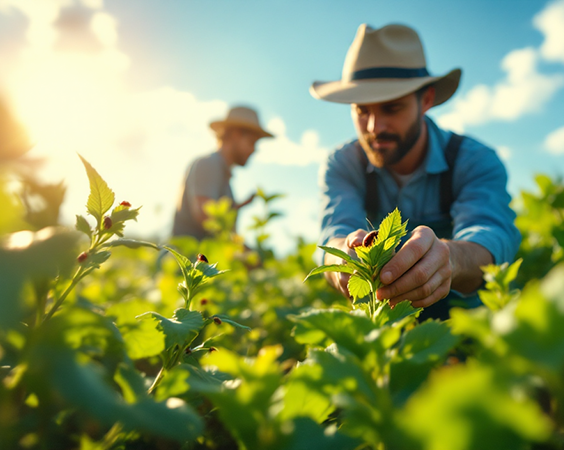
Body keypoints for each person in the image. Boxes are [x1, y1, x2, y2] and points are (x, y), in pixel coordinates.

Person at [310, 23, 521, 320]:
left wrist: (452, 260)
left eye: (391, 108)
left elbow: (492, 237)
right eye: (361, 110)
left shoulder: (474, 160)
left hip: (467, 325)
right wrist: (342, 259)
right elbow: (334, 233)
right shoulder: (343, 164)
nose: (374, 127)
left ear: (426, 100)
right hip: (382, 327)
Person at [172, 106, 273, 239]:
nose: (253, 150)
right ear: (236, 135)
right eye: (251, 142)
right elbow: (205, 216)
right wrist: (242, 250)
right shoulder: (208, 165)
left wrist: (238, 206)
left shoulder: (223, 177)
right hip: (189, 257)